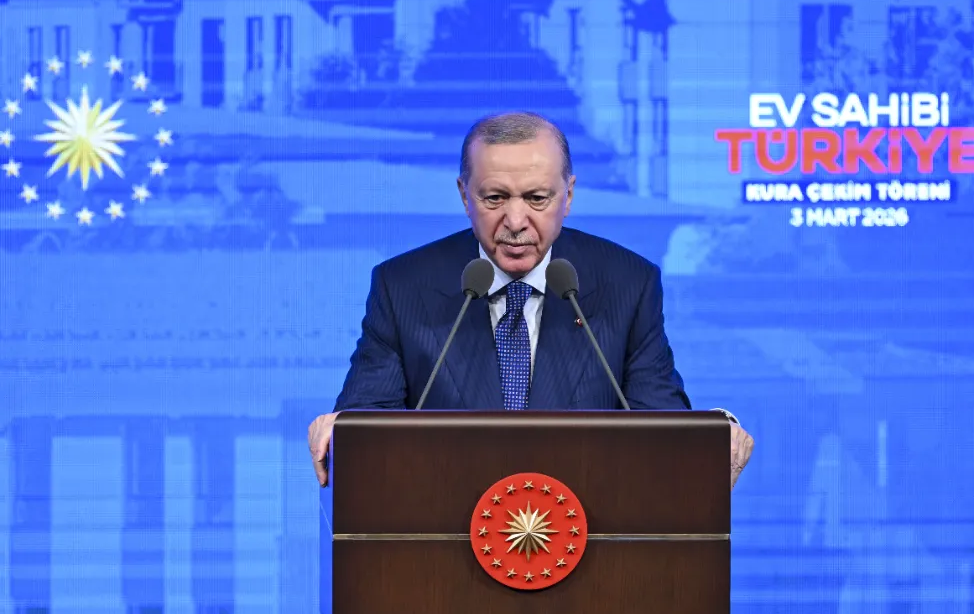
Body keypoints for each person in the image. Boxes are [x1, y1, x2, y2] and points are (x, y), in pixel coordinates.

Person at [308, 112, 754, 488]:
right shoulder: (403, 286)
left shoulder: (627, 284)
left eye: (537, 198)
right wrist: (345, 428)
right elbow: (366, 423)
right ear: (465, 195)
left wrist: (716, 434)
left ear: (569, 196)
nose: (516, 220)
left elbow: (662, 426)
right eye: (495, 197)